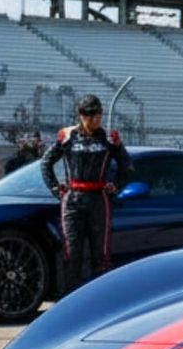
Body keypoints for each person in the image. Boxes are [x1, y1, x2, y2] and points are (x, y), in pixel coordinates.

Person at [42, 93, 133, 294]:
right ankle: (68, 301)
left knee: (100, 255)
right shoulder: (66, 136)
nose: (94, 119)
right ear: (80, 115)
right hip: (72, 200)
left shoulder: (109, 138)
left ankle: (100, 300)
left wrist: (114, 187)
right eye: (89, 115)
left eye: (97, 114)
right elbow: (46, 163)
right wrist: (56, 188)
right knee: (71, 254)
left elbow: (127, 166)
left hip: (99, 200)